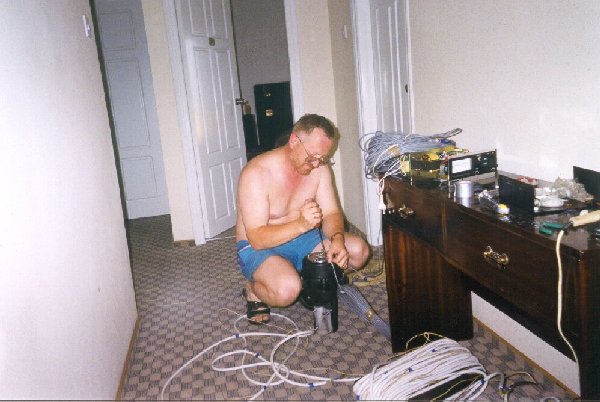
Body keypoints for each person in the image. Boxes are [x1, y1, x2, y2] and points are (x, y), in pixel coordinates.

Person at [235, 114, 370, 324]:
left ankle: (302, 274)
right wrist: (300, 224)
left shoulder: (319, 168)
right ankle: (253, 289)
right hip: (261, 246)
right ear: (294, 141)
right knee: (287, 290)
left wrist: (337, 239)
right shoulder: (257, 172)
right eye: (312, 156)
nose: (316, 163)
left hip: (304, 237)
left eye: (323, 158)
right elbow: (257, 238)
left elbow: (331, 213)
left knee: (358, 252)